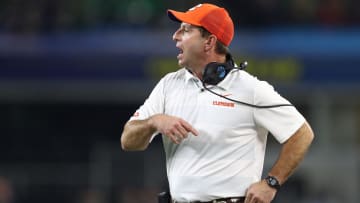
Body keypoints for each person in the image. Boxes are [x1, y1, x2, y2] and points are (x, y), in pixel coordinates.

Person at [121, 3, 314, 203]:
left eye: (186, 30)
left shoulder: (250, 89)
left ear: (209, 42)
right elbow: (128, 140)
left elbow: (302, 134)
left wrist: (271, 183)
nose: (175, 36)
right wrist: (155, 121)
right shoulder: (169, 85)